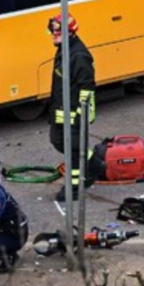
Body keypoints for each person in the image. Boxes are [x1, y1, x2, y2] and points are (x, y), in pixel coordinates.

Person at [48, 13, 95, 202]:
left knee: (73, 146)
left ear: (70, 33)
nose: (53, 35)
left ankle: (76, 185)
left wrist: (80, 115)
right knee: (59, 141)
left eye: (57, 32)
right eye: (52, 31)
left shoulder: (79, 56)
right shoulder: (64, 50)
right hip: (61, 111)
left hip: (73, 113)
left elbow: (86, 88)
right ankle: (92, 166)